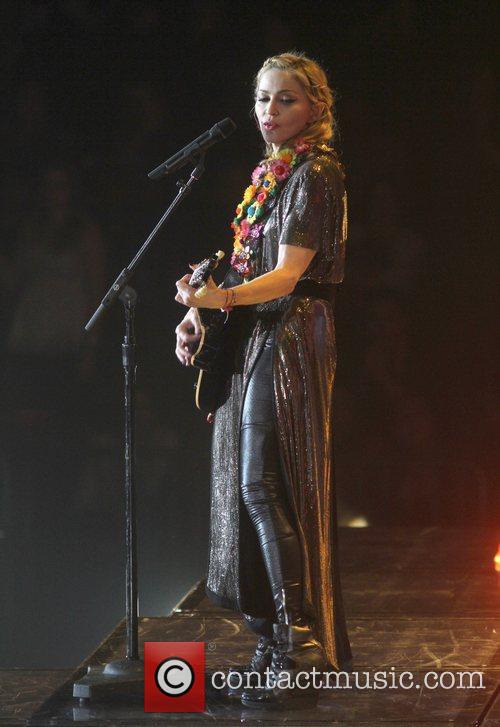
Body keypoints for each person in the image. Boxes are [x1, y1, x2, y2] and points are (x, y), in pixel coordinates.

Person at [174, 52, 352, 704]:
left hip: (296, 333)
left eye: (285, 100)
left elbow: (284, 276)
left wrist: (220, 301)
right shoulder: (272, 176)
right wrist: (202, 309)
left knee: (262, 481)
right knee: (249, 484)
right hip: (261, 334)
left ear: (316, 108)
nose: (269, 112)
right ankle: (273, 634)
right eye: (262, 100)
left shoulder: (317, 173)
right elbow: (248, 276)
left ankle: (299, 639)